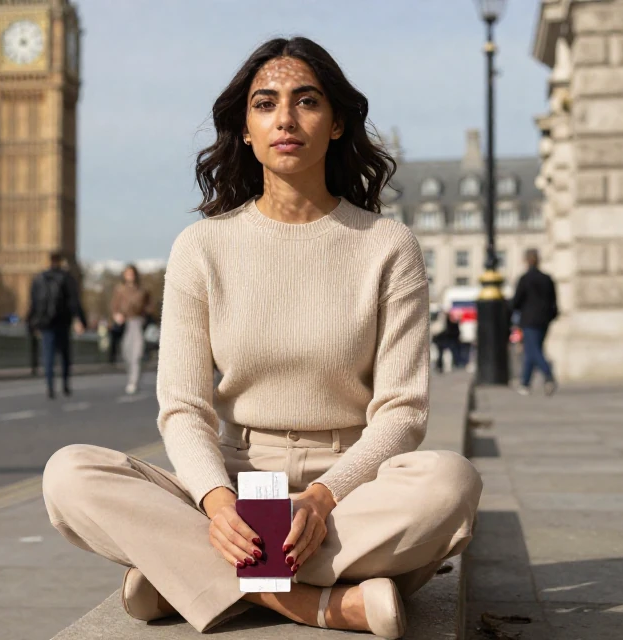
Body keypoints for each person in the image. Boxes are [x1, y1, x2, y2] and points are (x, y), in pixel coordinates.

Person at [41, 37, 482, 638]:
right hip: (240, 474)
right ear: (245, 129)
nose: (285, 118)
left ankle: (187, 574)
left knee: (451, 484)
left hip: (350, 483)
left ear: (336, 124)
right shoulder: (201, 248)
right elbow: (184, 409)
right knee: (69, 475)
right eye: (265, 103)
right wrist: (219, 506)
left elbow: (403, 413)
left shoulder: (388, 246)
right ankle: (311, 602)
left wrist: (324, 498)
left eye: (306, 102)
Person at [28, 251, 87, 399]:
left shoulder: (39, 279)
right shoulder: (66, 277)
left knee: (48, 355)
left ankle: (50, 386)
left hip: (45, 323)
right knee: (64, 355)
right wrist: (80, 320)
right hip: (62, 322)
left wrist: (32, 322)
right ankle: (65, 384)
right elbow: (74, 301)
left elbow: (34, 303)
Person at [510, 248, 558, 396]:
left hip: (530, 320)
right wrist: (550, 317)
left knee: (533, 350)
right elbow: (554, 302)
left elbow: (516, 301)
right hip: (544, 320)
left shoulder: (525, 279)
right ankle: (525, 383)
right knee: (532, 350)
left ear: (526, 261)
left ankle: (548, 375)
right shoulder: (547, 279)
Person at [110, 264, 152, 395]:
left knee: (137, 353)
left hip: (138, 322)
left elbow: (150, 307)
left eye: (132, 273)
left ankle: (134, 381)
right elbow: (114, 306)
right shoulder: (119, 290)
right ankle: (131, 376)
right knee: (127, 352)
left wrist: (146, 315)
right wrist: (117, 315)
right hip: (124, 323)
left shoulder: (142, 290)